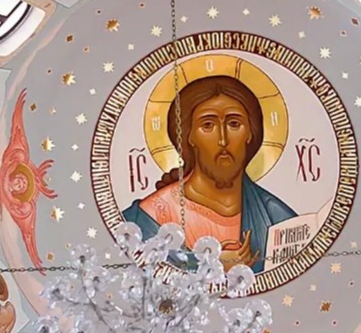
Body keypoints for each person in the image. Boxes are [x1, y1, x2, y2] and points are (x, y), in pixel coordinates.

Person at [122, 75, 296, 273]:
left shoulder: (275, 216)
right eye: (207, 125)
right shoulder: (149, 217)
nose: (223, 140)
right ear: (189, 136)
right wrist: (209, 265)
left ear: (250, 133)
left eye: (234, 124)